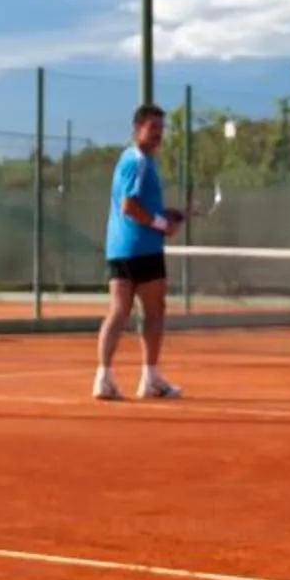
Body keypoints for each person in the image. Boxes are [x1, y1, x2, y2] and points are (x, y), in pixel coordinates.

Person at [96, 103, 192, 400]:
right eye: (153, 129)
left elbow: (139, 206)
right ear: (137, 129)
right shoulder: (138, 161)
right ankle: (149, 378)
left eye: (161, 129)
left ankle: (104, 378)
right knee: (153, 312)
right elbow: (128, 206)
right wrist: (162, 223)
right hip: (142, 249)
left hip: (119, 249)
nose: (158, 135)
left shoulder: (135, 160)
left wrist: (167, 214)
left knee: (120, 311)